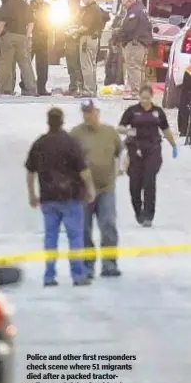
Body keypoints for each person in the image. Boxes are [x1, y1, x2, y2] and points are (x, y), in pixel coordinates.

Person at [26, 107, 96, 287]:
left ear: (48, 121)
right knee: (75, 237)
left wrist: (32, 194)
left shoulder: (40, 143)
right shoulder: (71, 143)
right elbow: (83, 170)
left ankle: (49, 276)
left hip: (48, 198)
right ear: (62, 121)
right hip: (71, 197)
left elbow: (30, 171)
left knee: (50, 237)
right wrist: (90, 189)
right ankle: (78, 275)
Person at [70, 99, 124, 278]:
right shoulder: (75, 134)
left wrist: (123, 166)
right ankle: (87, 266)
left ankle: (109, 263)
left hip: (106, 188)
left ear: (97, 113)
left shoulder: (109, 132)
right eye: (85, 112)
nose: (88, 116)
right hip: (83, 191)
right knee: (84, 228)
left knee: (108, 224)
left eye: (90, 112)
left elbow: (121, 152)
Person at [117, 84, 179, 227]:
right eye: (142, 98)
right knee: (135, 184)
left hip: (153, 149)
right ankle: (138, 211)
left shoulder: (158, 112)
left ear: (152, 97)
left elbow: (166, 129)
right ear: (139, 97)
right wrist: (129, 132)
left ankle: (148, 215)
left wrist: (174, 145)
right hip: (135, 149)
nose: (145, 101)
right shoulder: (132, 111)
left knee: (149, 181)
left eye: (147, 98)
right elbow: (120, 127)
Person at [0, 0, 37, 96]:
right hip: (22, 37)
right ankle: (32, 88)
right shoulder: (27, 6)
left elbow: (1, 24)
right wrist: (27, 36)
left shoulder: (8, 5)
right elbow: (31, 23)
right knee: (25, 64)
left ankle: (5, 89)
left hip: (9, 36)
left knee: (6, 64)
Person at [117, 0, 153, 100]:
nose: (124, 7)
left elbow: (128, 28)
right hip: (143, 43)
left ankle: (135, 93)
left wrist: (118, 35)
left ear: (129, 2)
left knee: (134, 68)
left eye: (124, 5)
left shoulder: (134, 11)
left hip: (135, 44)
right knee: (140, 69)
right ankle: (141, 92)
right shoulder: (143, 9)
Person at [76, 0, 106, 97]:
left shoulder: (91, 9)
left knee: (86, 65)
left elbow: (86, 27)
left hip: (87, 39)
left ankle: (88, 90)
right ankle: (92, 89)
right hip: (94, 39)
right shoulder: (97, 8)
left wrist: (74, 31)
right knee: (92, 65)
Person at [30, 0, 52, 96]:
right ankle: (27, 87)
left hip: (43, 38)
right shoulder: (29, 5)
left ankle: (41, 88)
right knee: (27, 64)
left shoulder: (47, 6)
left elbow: (50, 22)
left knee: (43, 64)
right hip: (31, 37)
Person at [64, 0, 84, 95]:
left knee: (77, 66)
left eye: (71, 0)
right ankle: (72, 87)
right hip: (68, 42)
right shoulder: (67, 12)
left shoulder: (82, 11)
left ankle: (80, 88)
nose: (69, 2)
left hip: (77, 42)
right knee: (70, 66)